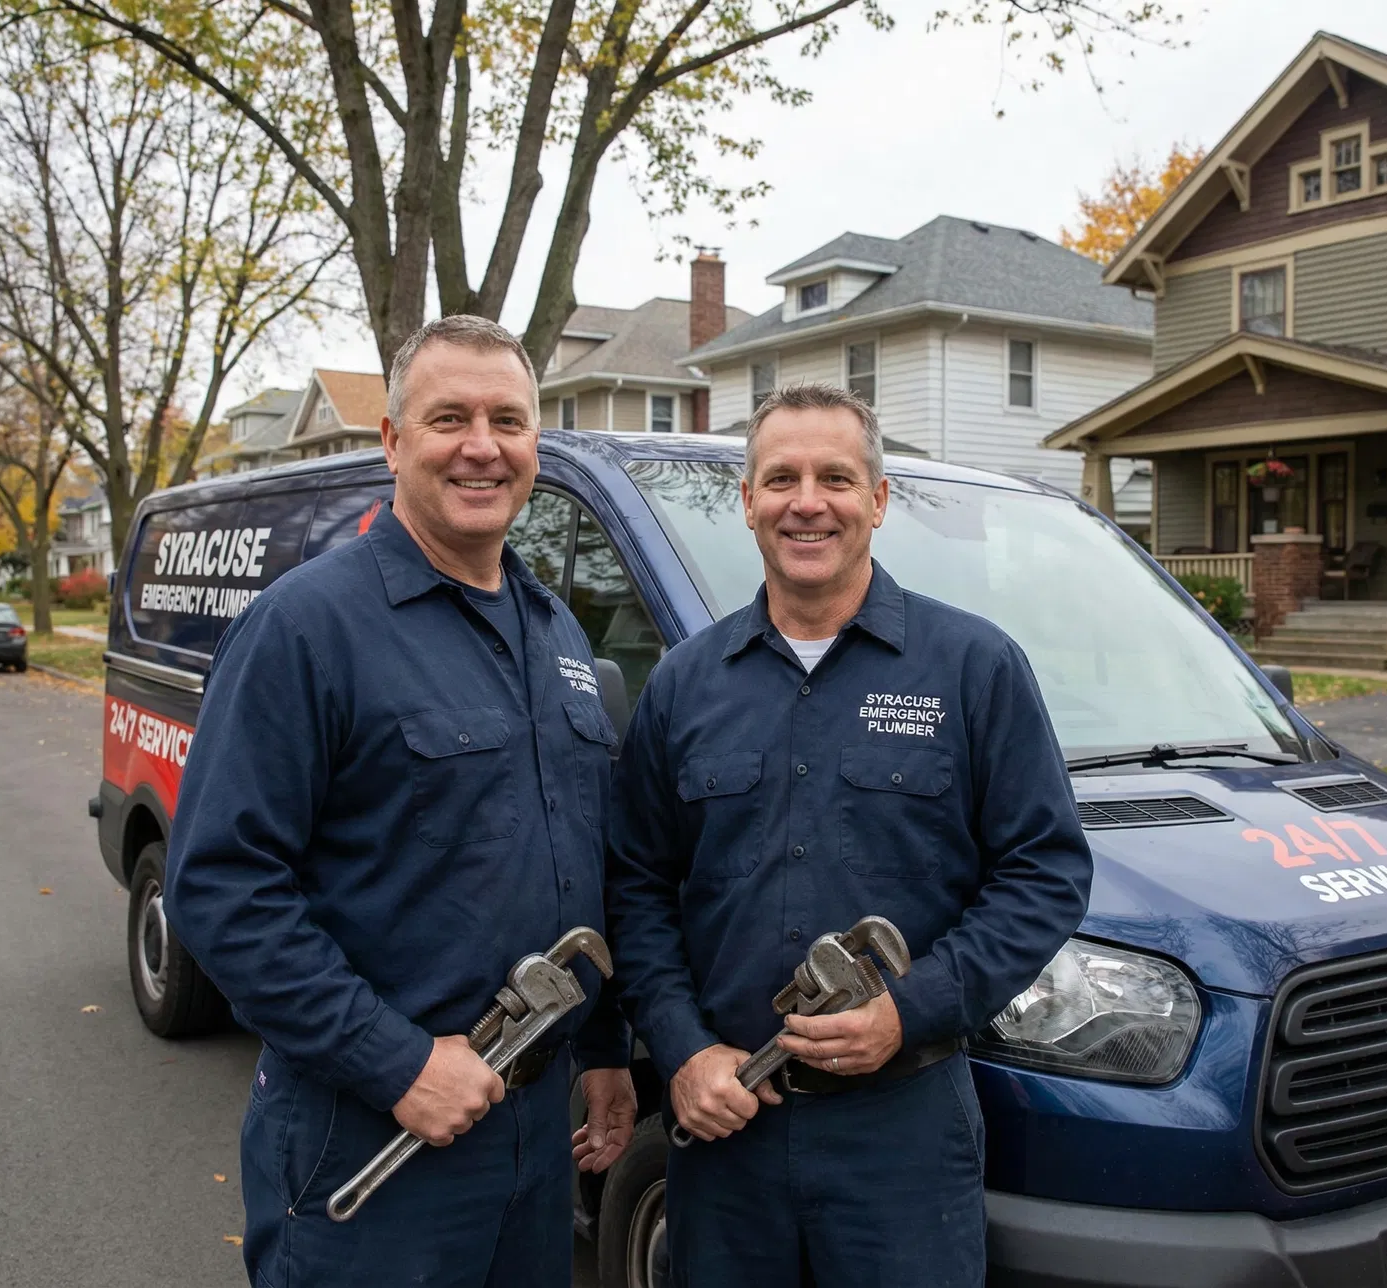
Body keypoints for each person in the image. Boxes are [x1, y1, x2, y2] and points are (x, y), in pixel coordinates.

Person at [166, 316, 635, 1288]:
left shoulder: (554, 631)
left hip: (532, 1139)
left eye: (508, 419)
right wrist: (397, 1062)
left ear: (535, 444)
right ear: (391, 440)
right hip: (371, 1134)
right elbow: (220, 885)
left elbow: (579, 861)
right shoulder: (305, 626)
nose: (481, 444)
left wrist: (601, 1044)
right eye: (448, 417)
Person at [605, 382, 1092, 1286]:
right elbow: (636, 885)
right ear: (746, 500)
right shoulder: (684, 685)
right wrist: (679, 1048)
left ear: (877, 499)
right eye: (781, 477)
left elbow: (1044, 874)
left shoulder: (973, 667)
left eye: (835, 476)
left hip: (902, 1134)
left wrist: (909, 1011)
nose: (807, 502)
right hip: (727, 1132)